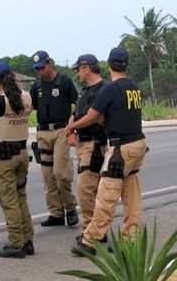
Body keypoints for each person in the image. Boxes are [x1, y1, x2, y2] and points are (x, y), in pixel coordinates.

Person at [68, 47, 148, 256]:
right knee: (132, 195)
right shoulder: (134, 88)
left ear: (109, 64)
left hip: (121, 148)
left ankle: (90, 241)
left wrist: (72, 127)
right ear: (126, 64)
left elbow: (92, 116)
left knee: (106, 193)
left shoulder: (111, 89)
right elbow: (121, 113)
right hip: (138, 143)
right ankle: (130, 239)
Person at [0, 61, 34, 259]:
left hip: (5, 156)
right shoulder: (28, 98)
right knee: (21, 196)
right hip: (22, 152)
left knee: (9, 199)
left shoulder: (0, 102)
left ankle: (15, 242)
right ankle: (28, 238)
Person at [29, 50, 79, 227]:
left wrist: (72, 127)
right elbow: (32, 106)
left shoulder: (64, 82)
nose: (40, 71)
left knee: (61, 173)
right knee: (48, 176)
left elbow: (78, 103)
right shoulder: (36, 86)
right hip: (43, 133)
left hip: (61, 131)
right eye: (37, 68)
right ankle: (56, 212)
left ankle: (70, 207)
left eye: (42, 67)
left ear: (50, 63)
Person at [69, 54, 111, 244]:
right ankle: (95, 230)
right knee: (90, 190)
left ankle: (90, 231)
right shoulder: (85, 91)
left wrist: (71, 127)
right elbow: (75, 113)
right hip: (82, 143)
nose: (78, 73)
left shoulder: (105, 89)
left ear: (86, 68)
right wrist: (71, 129)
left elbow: (93, 117)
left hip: (95, 144)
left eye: (78, 69)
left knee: (86, 189)